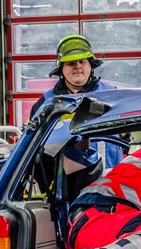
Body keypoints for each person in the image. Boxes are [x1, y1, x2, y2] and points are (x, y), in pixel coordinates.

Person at [29, 34, 122, 170]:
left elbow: (126, 135)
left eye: (82, 61)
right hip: (64, 184)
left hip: (108, 181)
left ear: (91, 65)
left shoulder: (111, 95)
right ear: (62, 69)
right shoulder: (47, 103)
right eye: (71, 63)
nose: (77, 66)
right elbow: (33, 142)